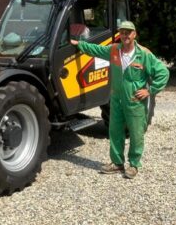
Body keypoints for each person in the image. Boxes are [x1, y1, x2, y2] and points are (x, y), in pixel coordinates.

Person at [70, 21, 169, 179]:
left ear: (134, 34)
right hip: (116, 99)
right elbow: (96, 49)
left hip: (134, 101)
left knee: (136, 133)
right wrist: (79, 44)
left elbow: (163, 72)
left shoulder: (143, 54)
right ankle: (117, 163)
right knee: (115, 131)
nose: (125, 35)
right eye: (122, 32)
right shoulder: (114, 50)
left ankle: (134, 164)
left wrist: (150, 90)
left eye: (128, 32)